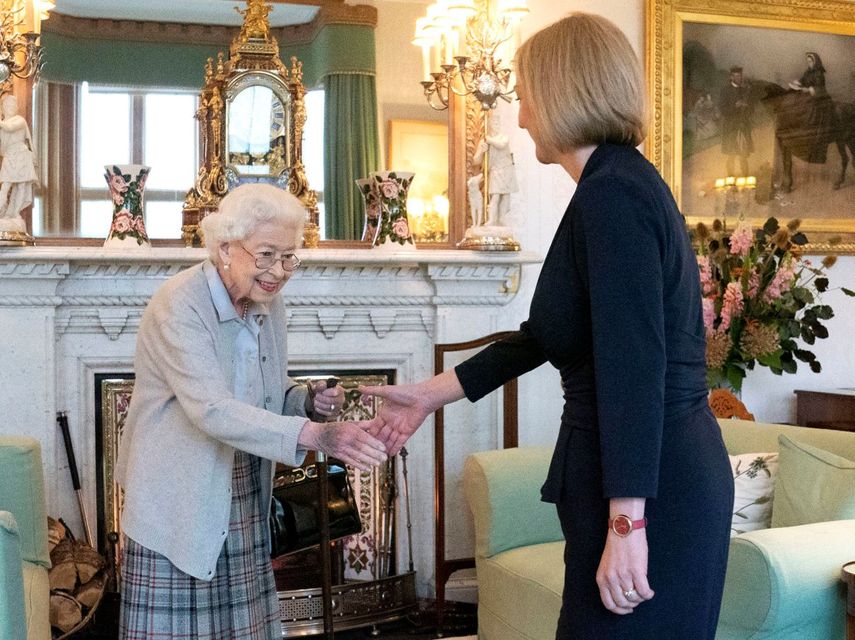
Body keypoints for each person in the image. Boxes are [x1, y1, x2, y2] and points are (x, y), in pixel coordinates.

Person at [364, 13, 733, 639]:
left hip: (655, 488)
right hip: (644, 479)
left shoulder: (613, 193)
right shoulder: (609, 185)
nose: (522, 110)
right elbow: (547, 333)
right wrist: (428, 395)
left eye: (526, 90)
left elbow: (633, 366)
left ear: (564, 91)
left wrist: (627, 523)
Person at [116, 183, 387, 639]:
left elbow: (266, 390)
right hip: (179, 497)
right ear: (225, 247)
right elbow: (213, 409)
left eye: (289, 257)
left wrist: (306, 399)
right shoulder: (179, 305)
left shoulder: (267, 303)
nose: (278, 271)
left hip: (240, 488)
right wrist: (315, 436)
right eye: (266, 254)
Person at [470, 111, 519, 227]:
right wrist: (482, 151)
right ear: (490, 125)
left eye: (497, 124)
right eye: (494, 124)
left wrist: (490, 140)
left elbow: (501, 145)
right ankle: (492, 220)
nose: (496, 126)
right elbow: (475, 161)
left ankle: (501, 218)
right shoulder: (484, 141)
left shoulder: (503, 138)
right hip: (495, 171)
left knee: (506, 196)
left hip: (506, 169)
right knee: (495, 196)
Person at [788, 51, 836, 164]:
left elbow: (819, 87)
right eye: (807, 62)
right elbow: (803, 80)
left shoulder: (819, 73)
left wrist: (808, 90)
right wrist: (796, 83)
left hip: (820, 98)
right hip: (810, 97)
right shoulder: (808, 72)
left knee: (812, 112)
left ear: (815, 62)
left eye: (810, 61)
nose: (809, 63)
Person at [0, 94, 39, 222]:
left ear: (16, 107)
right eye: (7, 105)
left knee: (22, 185)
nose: (10, 107)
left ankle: (15, 212)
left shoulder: (19, 120)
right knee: (5, 185)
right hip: (9, 156)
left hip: (22, 156)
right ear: (3, 108)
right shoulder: (3, 124)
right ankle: (2, 211)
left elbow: (10, 128)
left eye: (12, 105)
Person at [719, 65, 754, 176]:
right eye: (736, 76)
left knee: (743, 154)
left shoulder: (745, 90)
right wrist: (735, 106)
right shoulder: (725, 91)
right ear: (731, 77)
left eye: (740, 76)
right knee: (731, 154)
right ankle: (730, 179)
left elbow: (752, 110)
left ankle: (746, 178)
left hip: (743, 126)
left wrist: (747, 106)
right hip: (730, 128)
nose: (739, 78)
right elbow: (722, 110)